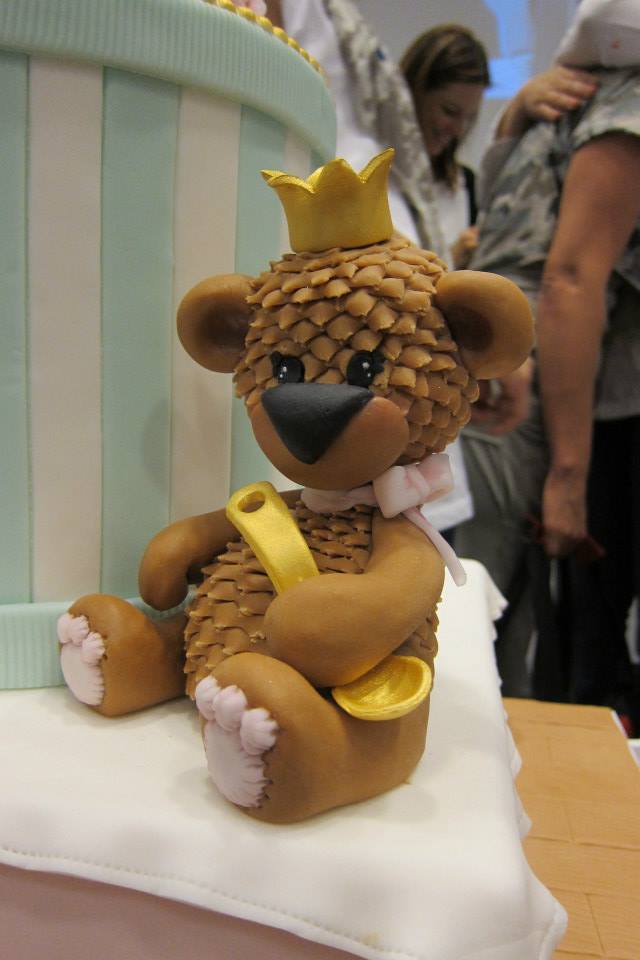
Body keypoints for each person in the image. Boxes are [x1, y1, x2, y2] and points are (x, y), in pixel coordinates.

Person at [455, 0, 640, 732]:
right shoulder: (624, 112)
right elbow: (568, 281)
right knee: (485, 611)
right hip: (528, 383)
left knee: (493, 607)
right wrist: (569, 476)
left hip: (508, 367)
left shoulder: (571, 100)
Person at [400, 25, 490, 267]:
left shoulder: (467, 186)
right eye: (449, 111)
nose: (458, 130)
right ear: (414, 92)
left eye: (470, 119)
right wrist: (447, 261)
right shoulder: (364, 174)